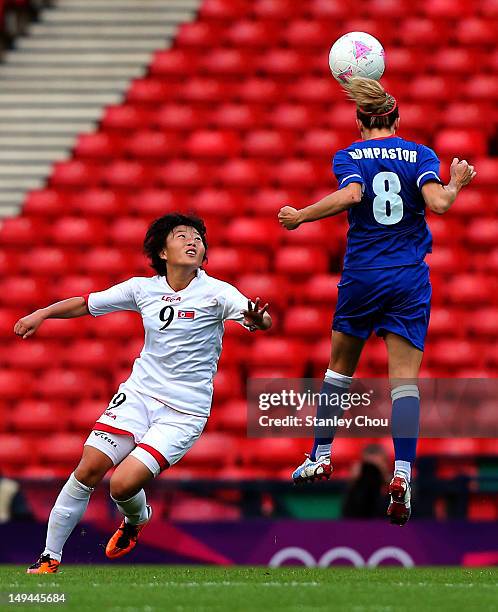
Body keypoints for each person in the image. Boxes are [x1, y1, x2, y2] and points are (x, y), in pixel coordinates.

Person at [14, 212, 272, 573]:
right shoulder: (142, 289)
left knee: (121, 485)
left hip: (184, 411)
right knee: (89, 467)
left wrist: (258, 320)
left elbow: (258, 318)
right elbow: (86, 303)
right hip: (139, 394)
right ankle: (49, 558)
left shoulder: (217, 293)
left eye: (198, 237)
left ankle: (136, 520)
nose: (193, 241)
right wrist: (42, 313)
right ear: (162, 252)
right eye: (182, 235)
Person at [278, 77, 476, 525]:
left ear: (359, 121)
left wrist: (301, 215)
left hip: (363, 275)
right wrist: (458, 181)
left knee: (337, 370)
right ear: (397, 121)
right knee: (404, 384)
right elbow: (440, 204)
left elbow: (352, 195)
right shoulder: (420, 154)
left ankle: (320, 454)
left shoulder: (348, 156)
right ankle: (403, 472)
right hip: (408, 279)